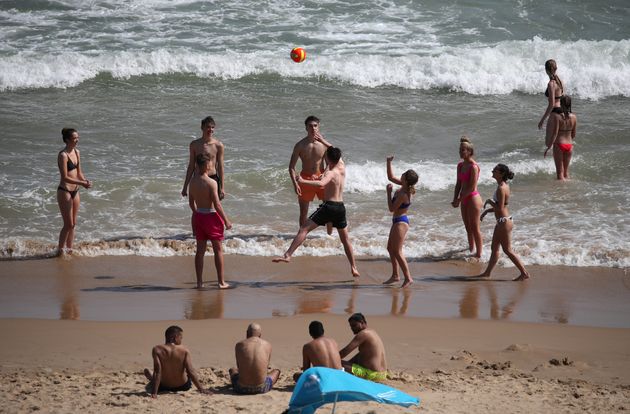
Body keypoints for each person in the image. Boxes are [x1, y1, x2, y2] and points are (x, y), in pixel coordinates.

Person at [273, 147, 360, 278]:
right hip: (340, 207)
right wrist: (324, 142)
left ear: (328, 159)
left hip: (329, 206)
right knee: (345, 239)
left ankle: (288, 255)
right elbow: (331, 164)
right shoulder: (342, 167)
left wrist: (303, 181)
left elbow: (321, 184)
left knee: (303, 229)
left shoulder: (331, 173)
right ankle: (353, 267)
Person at [476, 164, 530, 281]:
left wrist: (490, 201)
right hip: (503, 221)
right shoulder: (504, 185)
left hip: (503, 222)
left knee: (507, 250)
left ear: (501, 174)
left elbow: (499, 208)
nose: (492, 171)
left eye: (495, 170)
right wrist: (486, 212)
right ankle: (487, 273)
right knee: (494, 248)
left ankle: (524, 273)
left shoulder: (501, 188)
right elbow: (502, 206)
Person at [189, 153, 232, 289]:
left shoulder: (192, 182)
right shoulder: (212, 183)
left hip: (199, 217)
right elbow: (217, 204)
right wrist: (226, 221)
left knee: (200, 251)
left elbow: (191, 203)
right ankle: (221, 282)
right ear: (207, 166)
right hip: (211, 218)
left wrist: (196, 214)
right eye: (210, 164)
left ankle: (199, 283)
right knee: (218, 250)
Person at [288, 116, 334, 231]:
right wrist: (295, 184)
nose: (313, 128)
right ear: (306, 128)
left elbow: (330, 164)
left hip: (321, 178)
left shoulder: (323, 144)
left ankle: (330, 237)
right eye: (310, 126)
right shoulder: (300, 145)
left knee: (329, 209)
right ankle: (302, 237)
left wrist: (326, 173)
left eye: (315, 125)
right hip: (305, 178)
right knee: (303, 212)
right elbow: (291, 167)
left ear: (318, 127)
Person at [143, 325, 211, 398]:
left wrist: (154, 393)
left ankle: (151, 378)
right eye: (181, 338)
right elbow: (190, 371)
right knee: (187, 374)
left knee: (155, 376)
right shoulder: (184, 350)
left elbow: (157, 371)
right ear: (175, 337)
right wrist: (201, 389)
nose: (181, 340)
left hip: (164, 387)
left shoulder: (157, 349)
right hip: (184, 386)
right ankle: (151, 378)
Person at [383, 156, 418, 288]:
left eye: (404, 174)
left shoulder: (404, 193)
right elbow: (391, 177)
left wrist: (388, 193)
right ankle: (395, 275)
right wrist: (388, 162)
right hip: (397, 221)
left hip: (401, 223)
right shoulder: (404, 187)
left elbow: (391, 208)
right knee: (390, 248)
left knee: (397, 251)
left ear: (406, 179)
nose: (401, 174)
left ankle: (408, 278)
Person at [56, 128, 92, 255]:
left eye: (78, 137)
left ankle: (69, 249)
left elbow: (79, 172)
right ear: (67, 140)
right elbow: (65, 177)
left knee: (73, 223)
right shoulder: (63, 155)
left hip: (75, 191)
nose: (77, 140)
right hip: (64, 190)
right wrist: (81, 183)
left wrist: (85, 180)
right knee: (68, 224)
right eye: (75, 138)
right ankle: (60, 251)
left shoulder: (77, 152)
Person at [451, 136, 483, 258]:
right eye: (460, 149)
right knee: (467, 227)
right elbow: (458, 183)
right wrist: (455, 198)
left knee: (475, 228)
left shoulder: (473, 166)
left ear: (469, 151)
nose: (460, 152)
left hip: (473, 198)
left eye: (463, 150)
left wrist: (459, 199)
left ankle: (479, 254)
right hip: (463, 198)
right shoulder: (460, 165)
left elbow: (471, 187)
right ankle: (471, 250)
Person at [229, 323, 280, 394]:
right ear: (260, 335)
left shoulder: (239, 345)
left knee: (233, 370)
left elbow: (239, 367)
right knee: (276, 371)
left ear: (247, 333)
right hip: (262, 388)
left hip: (241, 388)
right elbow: (266, 367)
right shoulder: (267, 344)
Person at [182, 116, 225, 199]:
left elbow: (220, 167)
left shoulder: (218, 145)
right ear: (202, 127)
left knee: (215, 206)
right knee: (201, 206)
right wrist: (185, 187)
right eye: (208, 127)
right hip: (198, 178)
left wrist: (222, 188)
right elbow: (191, 166)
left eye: (212, 127)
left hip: (213, 178)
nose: (211, 130)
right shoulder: (194, 145)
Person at [339, 313, 388, 382]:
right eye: (351, 326)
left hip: (372, 375)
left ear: (362, 323)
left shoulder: (363, 334)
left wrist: (331, 359)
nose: (352, 328)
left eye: (354, 325)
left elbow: (345, 352)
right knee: (359, 355)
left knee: (336, 362)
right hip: (382, 374)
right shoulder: (372, 332)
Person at [544, 95, 577, 180]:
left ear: (561, 104)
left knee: (560, 174)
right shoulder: (574, 117)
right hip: (569, 145)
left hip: (559, 144)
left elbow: (555, 134)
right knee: (566, 172)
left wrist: (548, 147)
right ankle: (567, 190)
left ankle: (561, 192)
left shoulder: (557, 117)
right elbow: (574, 134)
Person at [538, 59, 564, 131]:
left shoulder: (551, 84)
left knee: (549, 141)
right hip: (561, 111)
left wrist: (542, 120)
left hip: (554, 112)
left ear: (546, 70)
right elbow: (562, 97)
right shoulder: (560, 81)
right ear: (556, 68)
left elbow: (552, 104)